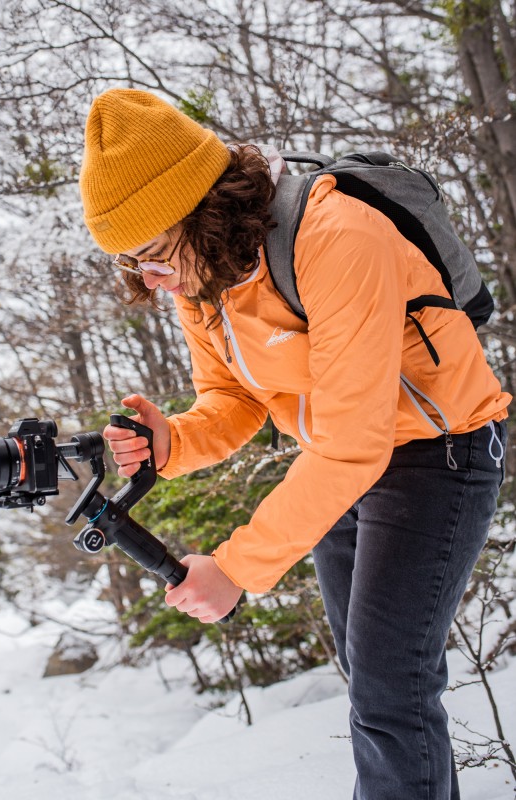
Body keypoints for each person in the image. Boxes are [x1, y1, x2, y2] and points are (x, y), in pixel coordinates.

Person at [79, 88, 510, 799]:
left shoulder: (338, 235)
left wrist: (235, 568)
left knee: (388, 685)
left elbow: (353, 443)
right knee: (368, 669)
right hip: (338, 461)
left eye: (153, 257)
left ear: (202, 210)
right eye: (133, 266)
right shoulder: (205, 281)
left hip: (441, 448)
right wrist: (172, 443)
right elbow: (235, 397)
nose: (151, 284)